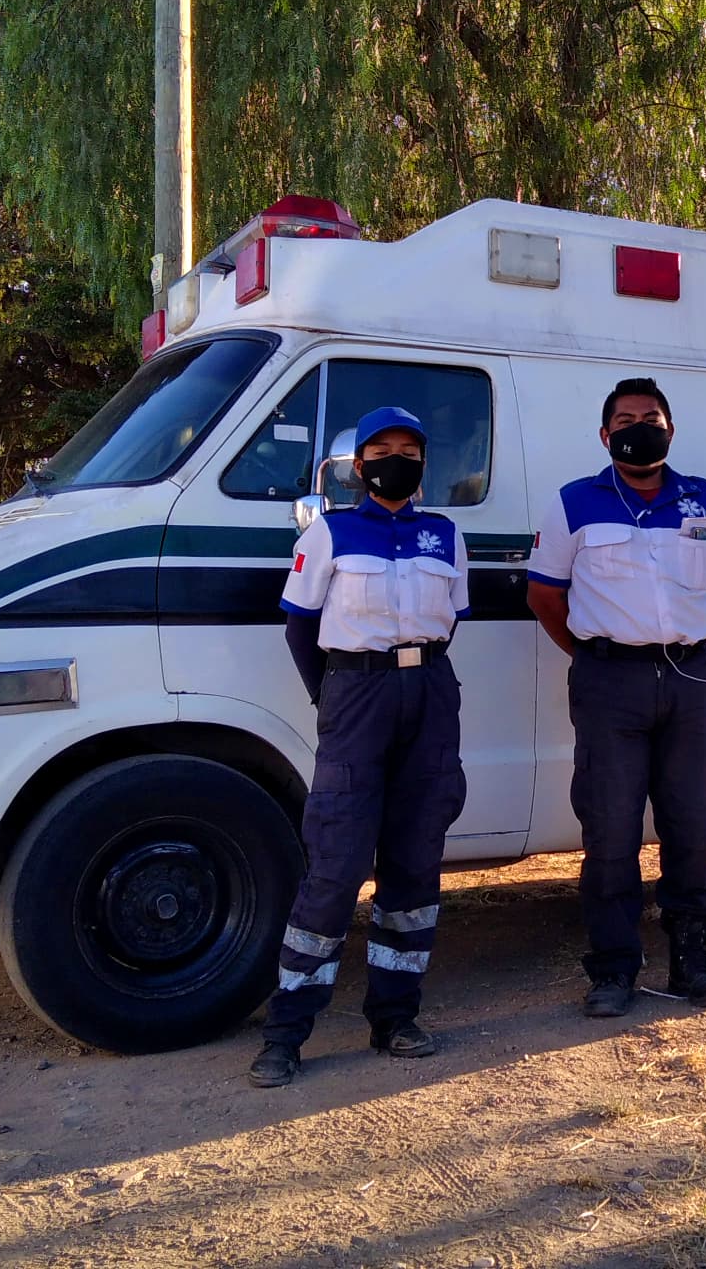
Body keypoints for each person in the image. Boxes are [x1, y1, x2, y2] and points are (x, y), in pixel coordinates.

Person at [248, 406, 471, 1087]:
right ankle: (287, 1031)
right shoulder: (331, 533)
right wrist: (336, 697)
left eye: (409, 449)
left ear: (422, 463)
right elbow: (299, 628)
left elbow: (452, 622)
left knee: (415, 863)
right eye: (382, 449)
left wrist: (412, 679)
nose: (395, 459)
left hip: (429, 694)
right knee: (336, 867)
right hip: (356, 697)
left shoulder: (445, 535)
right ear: (360, 463)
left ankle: (396, 1017)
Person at [527, 377, 706, 1017]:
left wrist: (679, 641)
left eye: (651, 418)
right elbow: (544, 595)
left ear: (670, 430)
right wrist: (597, 654)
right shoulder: (574, 502)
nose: (639, 427)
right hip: (609, 684)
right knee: (611, 829)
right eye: (625, 420)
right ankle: (613, 970)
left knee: (694, 826)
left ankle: (692, 963)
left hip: (691, 680)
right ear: (605, 435)